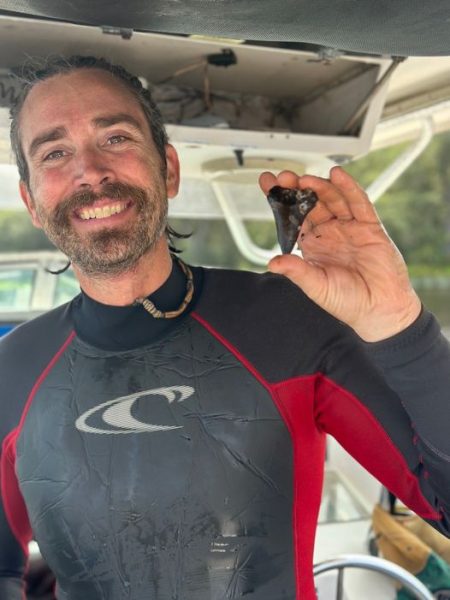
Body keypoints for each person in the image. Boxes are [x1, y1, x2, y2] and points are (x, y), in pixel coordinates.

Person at [0, 55, 449, 600]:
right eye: (54, 152)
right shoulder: (11, 372)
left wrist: (400, 324)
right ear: (31, 202)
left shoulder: (289, 322)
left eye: (115, 137)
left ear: (169, 169)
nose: (90, 171)